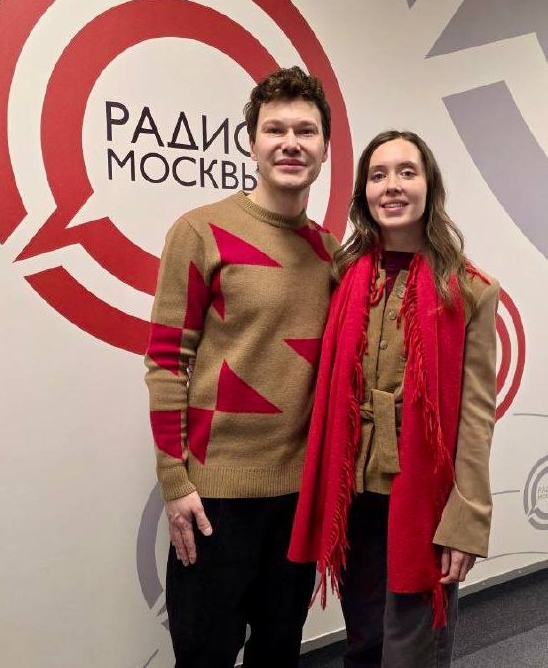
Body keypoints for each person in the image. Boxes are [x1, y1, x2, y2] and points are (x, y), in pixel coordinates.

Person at [145, 66, 338, 668]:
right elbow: (166, 362)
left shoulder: (331, 251)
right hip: (215, 500)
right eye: (275, 130)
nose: (290, 143)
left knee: (279, 654)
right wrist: (175, 483)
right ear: (251, 143)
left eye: (305, 131)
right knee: (204, 656)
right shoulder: (199, 231)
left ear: (325, 148)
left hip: (298, 499)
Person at [289, 130, 499, 668]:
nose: (392, 186)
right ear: (364, 192)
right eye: (378, 175)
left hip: (425, 498)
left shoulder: (469, 288)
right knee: (363, 640)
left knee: (414, 647)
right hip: (354, 493)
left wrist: (467, 520)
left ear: (430, 185)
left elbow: (476, 417)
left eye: (407, 172)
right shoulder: (342, 274)